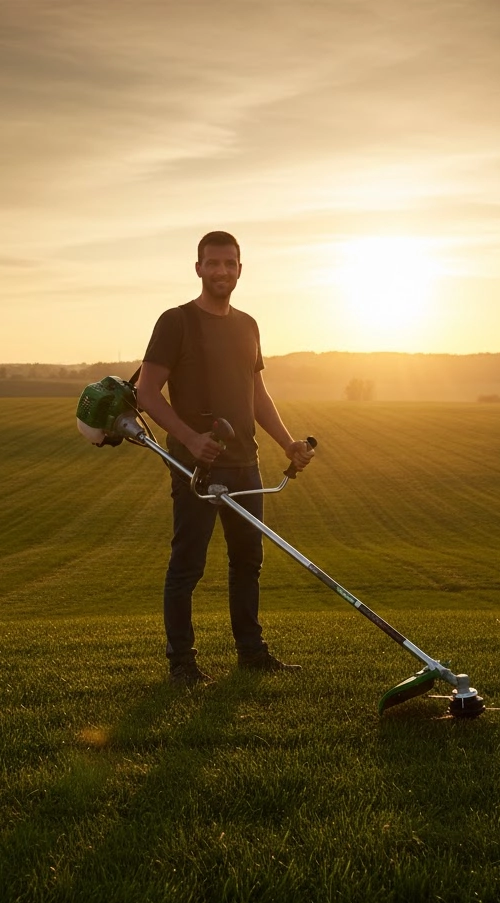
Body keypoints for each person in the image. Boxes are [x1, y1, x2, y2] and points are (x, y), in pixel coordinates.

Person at [136, 230, 315, 685]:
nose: (220, 271)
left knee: (247, 562)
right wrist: (191, 440)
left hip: (244, 464)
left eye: (229, 263)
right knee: (188, 565)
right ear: (198, 268)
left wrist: (287, 443)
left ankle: (251, 654)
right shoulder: (176, 322)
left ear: (240, 268)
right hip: (195, 466)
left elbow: (255, 392)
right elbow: (146, 392)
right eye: (211, 263)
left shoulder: (248, 325)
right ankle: (182, 664)